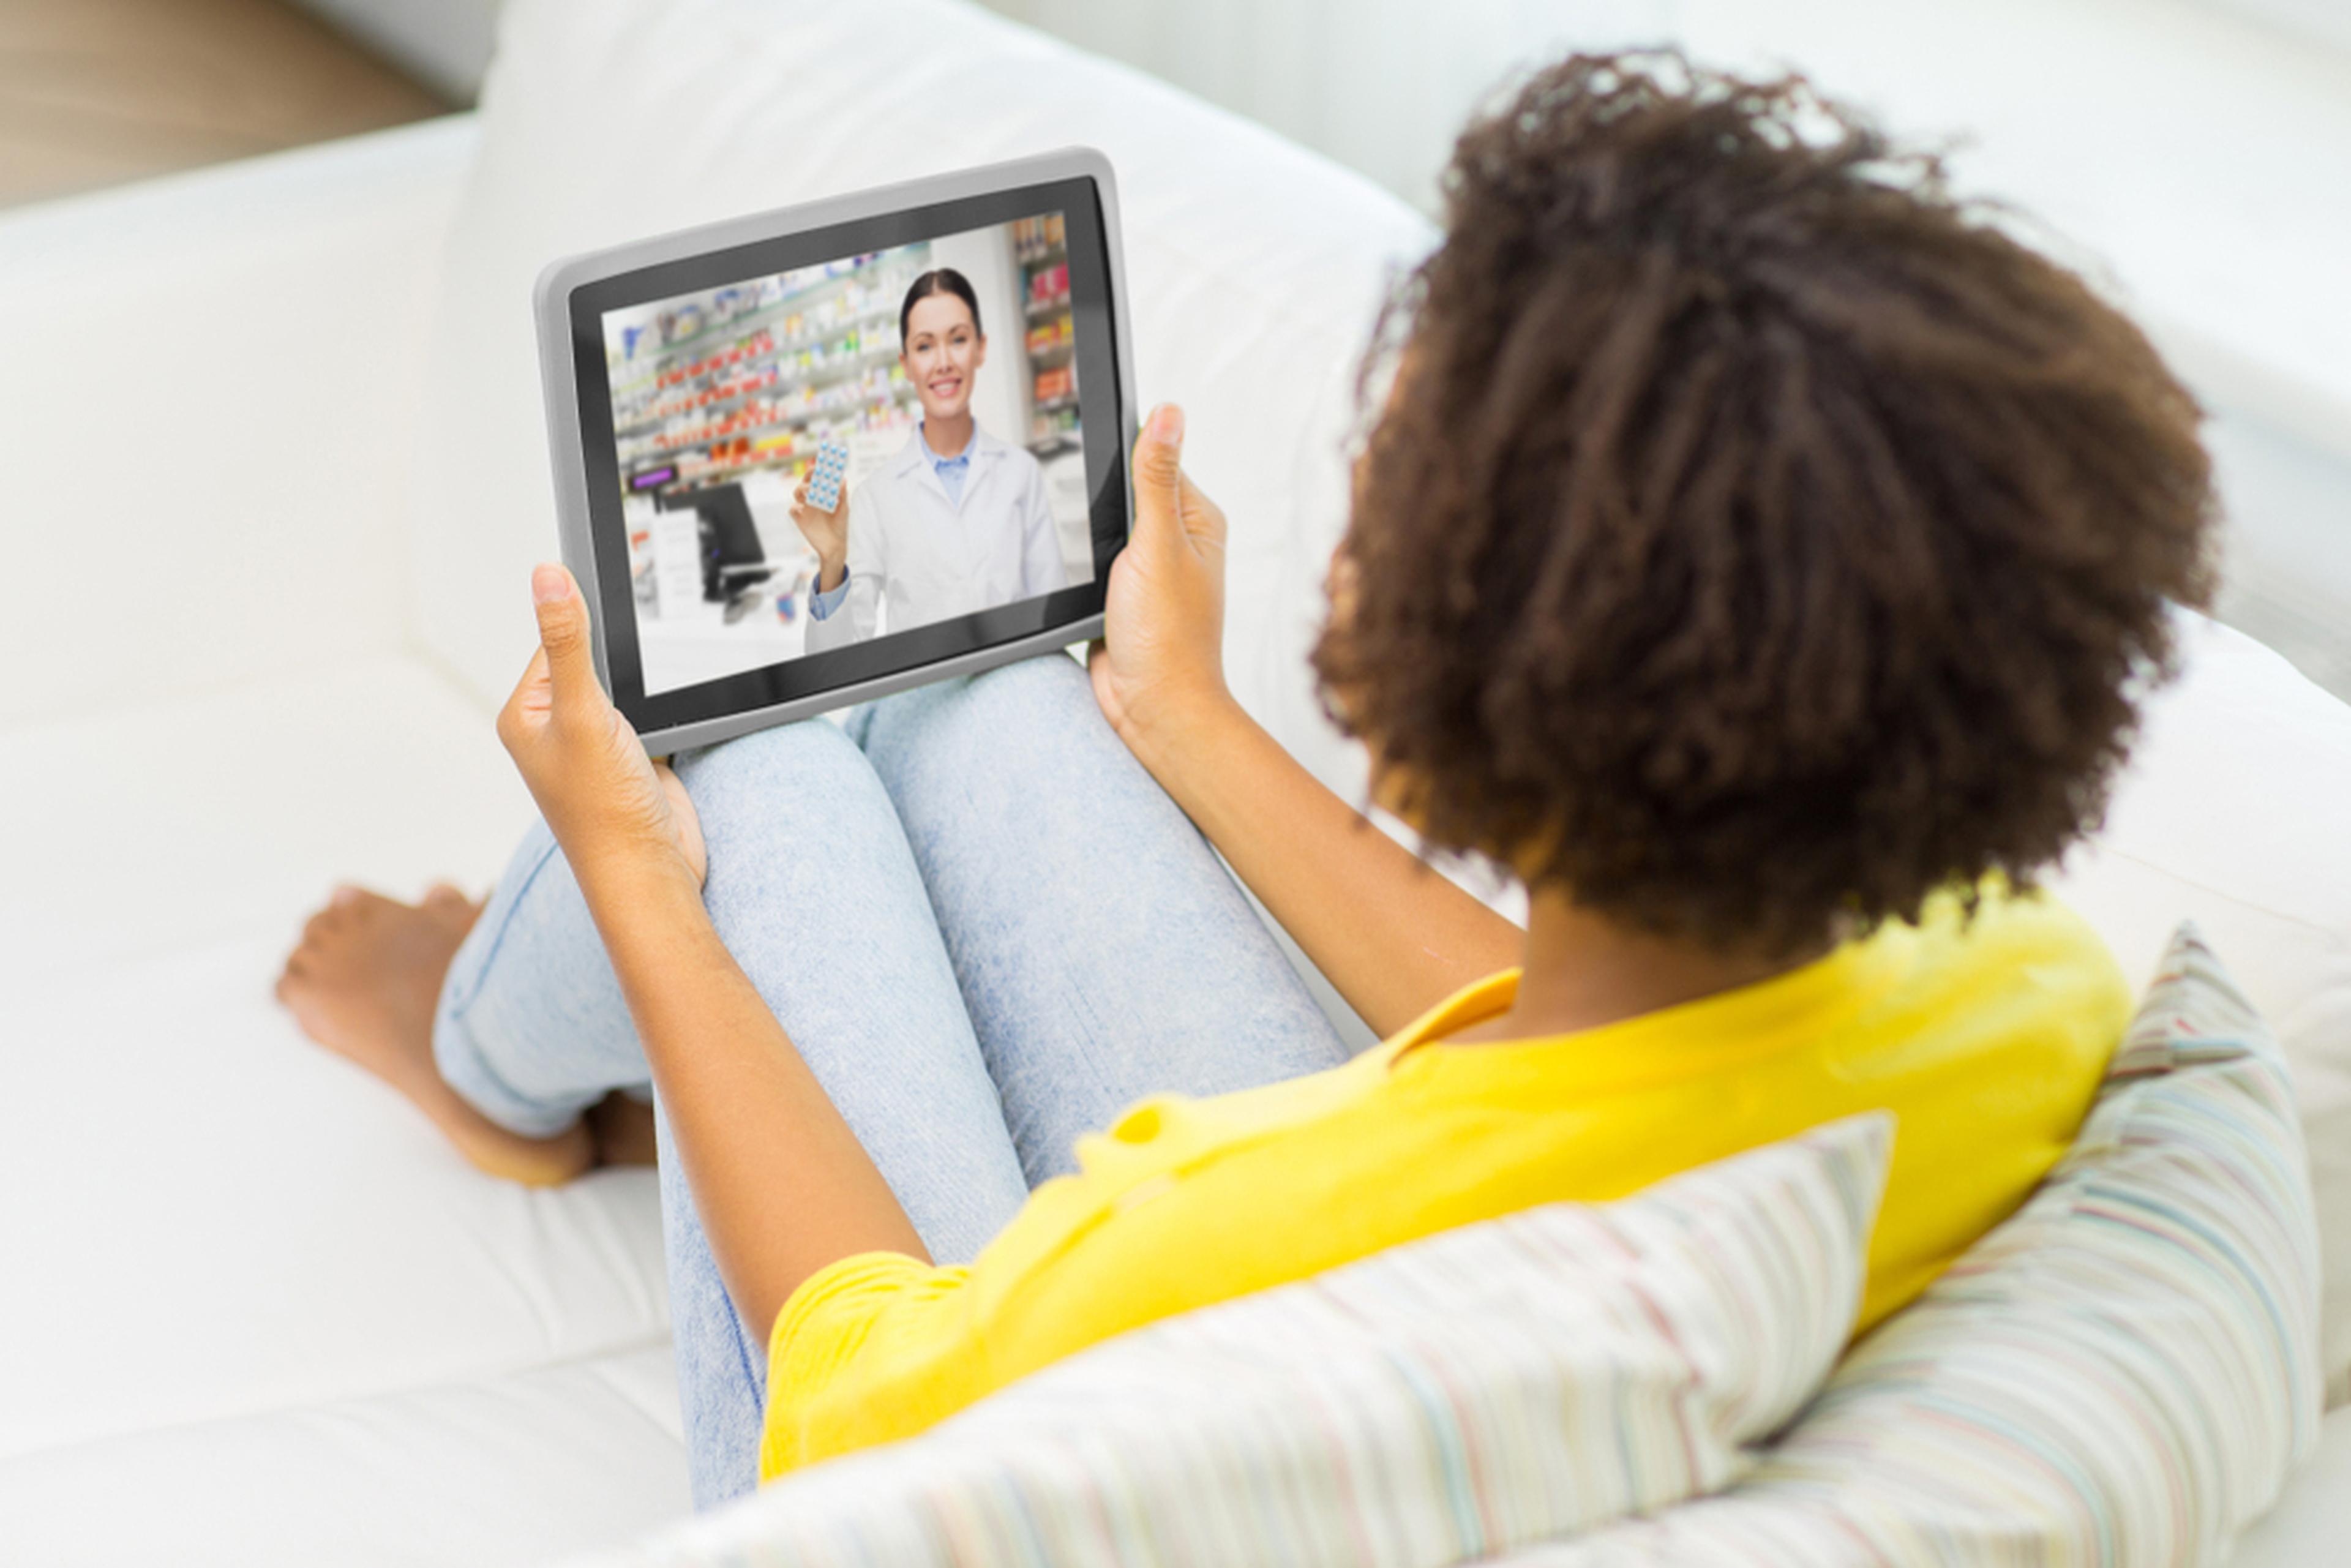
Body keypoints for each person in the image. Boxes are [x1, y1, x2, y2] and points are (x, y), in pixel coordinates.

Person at [276, 53, 2215, 1509]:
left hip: (961, 1450)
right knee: (997, 703)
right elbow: (1585, 1025)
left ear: (1438, 689)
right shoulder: (2017, 981)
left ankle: (490, 1057)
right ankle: (562, 1043)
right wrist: (1189, 715)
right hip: (1464, 1196)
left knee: (760, 777)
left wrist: (638, 885)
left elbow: (863, 1399)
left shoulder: (1211, 1238)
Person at [792, 266, 1068, 652]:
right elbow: (832, 665)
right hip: (927, 706)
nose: (943, 362)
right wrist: (833, 561)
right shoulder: (877, 496)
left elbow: (1055, 622)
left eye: (957, 340)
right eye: (924, 346)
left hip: (1015, 690)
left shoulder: (1021, 473)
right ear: (905, 364)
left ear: (980, 348)